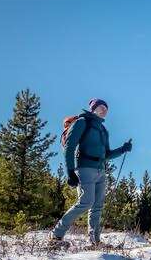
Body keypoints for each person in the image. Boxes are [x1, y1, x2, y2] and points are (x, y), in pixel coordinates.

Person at [50, 99, 132, 248]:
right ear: (93, 108)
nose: (103, 111)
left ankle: (95, 241)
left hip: (101, 170)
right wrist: (70, 171)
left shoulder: (103, 130)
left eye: (106, 109)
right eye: (100, 108)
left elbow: (106, 154)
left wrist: (122, 149)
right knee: (86, 202)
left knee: (97, 206)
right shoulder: (82, 122)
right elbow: (69, 147)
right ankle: (56, 234)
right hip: (84, 168)